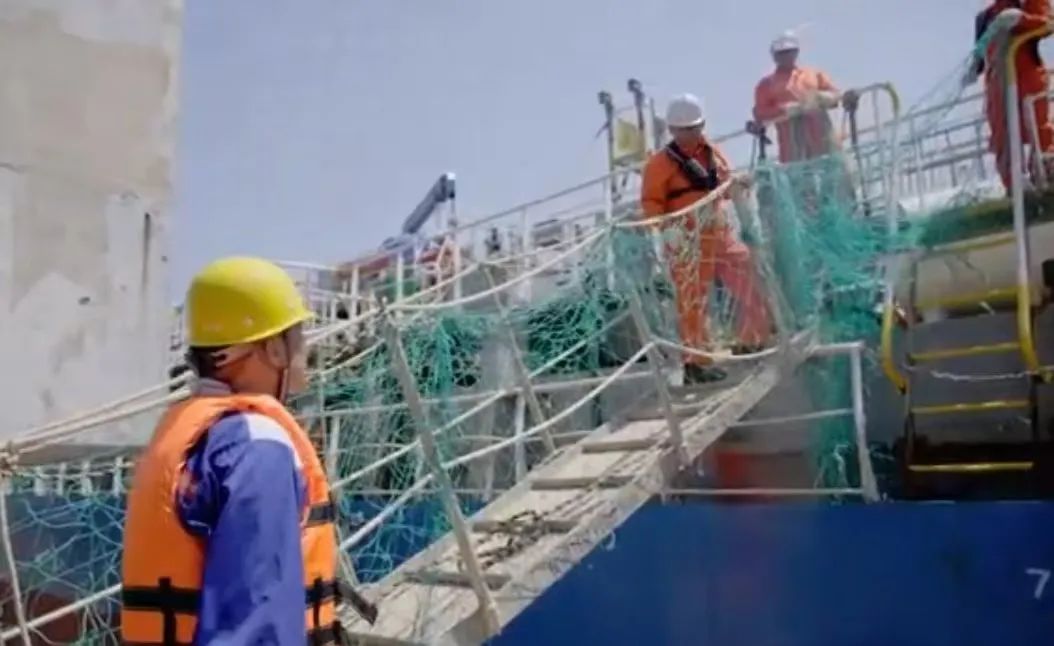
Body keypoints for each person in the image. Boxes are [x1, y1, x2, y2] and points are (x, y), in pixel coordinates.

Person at [121, 256, 376, 645]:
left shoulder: (184, 432)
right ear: (273, 349)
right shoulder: (257, 444)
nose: (305, 349)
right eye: (297, 335)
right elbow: (258, 624)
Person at [641, 94, 772, 384]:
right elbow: (651, 204)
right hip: (684, 238)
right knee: (692, 299)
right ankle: (696, 362)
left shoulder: (713, 152)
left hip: (717, 230)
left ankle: (753, 339)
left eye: (696, 127)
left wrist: (738, 183)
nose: (692, 134)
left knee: (746, 274)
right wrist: (664, 229)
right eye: (685, 129)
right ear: (672, 130)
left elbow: (723, 185)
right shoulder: (659, 165)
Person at [966, 0, 1054, 193]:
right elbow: (979, 57)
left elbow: (1048, 24)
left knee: (1039, 130)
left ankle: (1047, 179)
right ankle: (1015, 187)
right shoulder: (984, 18)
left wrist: (1022, 19)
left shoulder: (1028, 3)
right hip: (997, 85)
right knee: (1003, 139)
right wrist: (972, 69)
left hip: (1028, 78)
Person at [751, 31, 858, 163]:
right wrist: (785, 110)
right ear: (774, 56)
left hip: (823, 137)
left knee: (836, 168)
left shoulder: (813, 74)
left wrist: (824, 97)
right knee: (800, 172)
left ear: (796, 52)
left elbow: (835, 95)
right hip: (792, 146)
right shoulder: (766, 84)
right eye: (781, 53)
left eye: (789, 51)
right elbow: (760, 113)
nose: (786, 56)